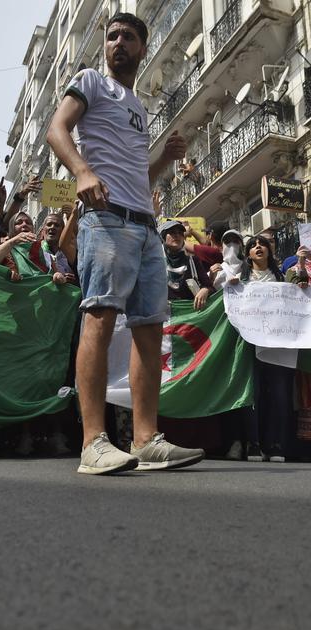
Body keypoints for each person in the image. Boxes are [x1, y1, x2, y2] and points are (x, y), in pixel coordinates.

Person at [46, 11, 204, 474]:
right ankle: (93, 442)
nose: (118, 42)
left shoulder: (139, 106)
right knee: (98, 317)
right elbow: (57, 130)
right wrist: (81, 171)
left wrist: (165, 161)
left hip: (144, 225)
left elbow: (137, 173)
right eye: (112, 35)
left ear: (142, 48)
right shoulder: (91, 80)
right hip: (105, 219)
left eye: (128, 37)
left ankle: (145, 438)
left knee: (150, 329)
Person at [241, 235, 294, 462]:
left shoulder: (283, 278)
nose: (258, 247)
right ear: (248, 254)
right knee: (254, 394)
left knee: (280, 395)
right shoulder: (240, 279)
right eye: (253, 245)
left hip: (279, 346)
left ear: (269, 251)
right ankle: (254, 443)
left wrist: (298, 286)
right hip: (250, 345)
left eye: (262, 244)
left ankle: (276, 444)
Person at [160, 219, 213, 309]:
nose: (177, 235)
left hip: (190, 315)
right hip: (166, 317)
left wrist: (205, 290)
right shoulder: (156, 262)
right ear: (163, 237)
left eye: (180, 233)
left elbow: (208, 286)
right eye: (172, 232)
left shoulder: (192, 260)